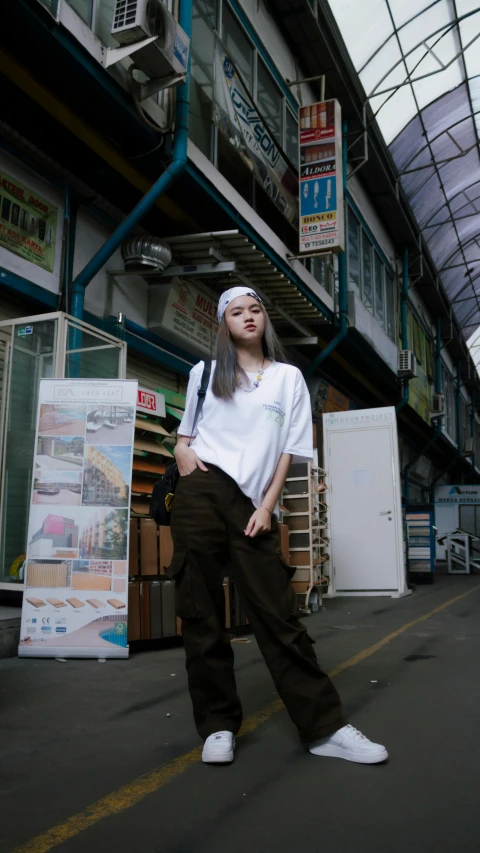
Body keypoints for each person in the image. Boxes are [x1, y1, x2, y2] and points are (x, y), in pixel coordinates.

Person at [170, 285, 387, 766]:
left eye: (255, 310)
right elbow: (184, 437)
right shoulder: (205, 373)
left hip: (251, 502)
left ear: (265, 319)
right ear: (224, 324)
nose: (248, 317)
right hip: (201, 491)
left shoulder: (288, 379)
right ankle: (218, 725)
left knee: (278, 616)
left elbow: (288, 452)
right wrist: (182, 452)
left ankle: (325, 729)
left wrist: (267, 508)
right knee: (201, 613)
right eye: (237, 312)